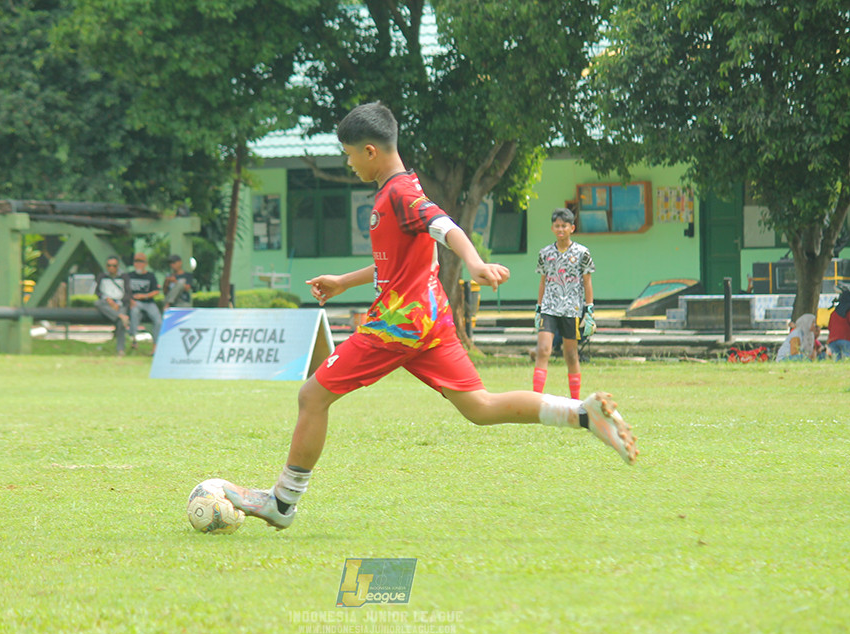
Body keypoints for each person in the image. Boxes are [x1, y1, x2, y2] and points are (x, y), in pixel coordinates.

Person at [219, 102, 637, 531]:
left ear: (369, 151)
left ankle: (283, 503)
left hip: (397, 326)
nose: (347, 163)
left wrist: (473, 263)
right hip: (429, 321)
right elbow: (395, 261)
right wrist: (345, 281)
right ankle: (584, 415)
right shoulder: (394, 190)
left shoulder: (400, 193)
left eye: (347, 154)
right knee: (480, 406)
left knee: (312, 396)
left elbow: (445, 226)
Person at [532, 208, 596, 399]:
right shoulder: (545, 253)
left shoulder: (582, 253)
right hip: (549, 307)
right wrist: (538, 308)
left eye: (564, 226)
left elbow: (587, 281)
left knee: (570, 354)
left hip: (572, 309)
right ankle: (535, 399)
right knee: (543, 350)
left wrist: (589, 310)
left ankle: (575, 400)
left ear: (572, 228)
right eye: (557, 226)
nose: (560, 229)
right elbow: (543, 281)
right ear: (552, 228)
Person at [94, 255, 132, 356]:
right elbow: (97, 292)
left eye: (114, 266)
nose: (111, 268)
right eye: (109, 265)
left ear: (118, 266)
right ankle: (120, 315)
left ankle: (120, 349)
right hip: (107, 302)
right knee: (97, 303)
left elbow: (128, 293)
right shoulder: (102, 276)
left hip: (120, 303)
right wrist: (108, 300)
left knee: (120, 324)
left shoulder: (124, 277)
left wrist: (117, 304)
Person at [127, 252, 161, 354]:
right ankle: (134, 341)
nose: (138, 264)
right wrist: (130, 300)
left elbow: (156, 291)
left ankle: (155, 346)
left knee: (158, 320)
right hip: (135, 302)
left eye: (141, 261)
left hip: (149, 302)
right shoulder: (129, 275)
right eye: (136, 261)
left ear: (145, 263)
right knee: (134, 313)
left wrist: (144, 296)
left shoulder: (150, 276)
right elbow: (124, 290)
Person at [827, 289, 850, 361]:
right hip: (846, 338)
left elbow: (829, 327)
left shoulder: (834, 313)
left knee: (837, 361)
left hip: (832, 340)